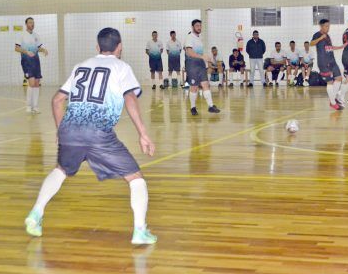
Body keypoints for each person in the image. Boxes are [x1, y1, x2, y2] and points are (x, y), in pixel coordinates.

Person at [24, 27, 157, 245]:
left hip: (70, 129)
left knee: (61, 170)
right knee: (135, 178)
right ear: (120, 47)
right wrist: (143, 133)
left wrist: (61, 130)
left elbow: (57, 101)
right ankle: (140, 231)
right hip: (98, 132)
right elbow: (130, 98)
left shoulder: (80, 66)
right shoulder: (121, 67)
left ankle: (36, 213)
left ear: (97, 47)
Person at [184, 20, 220, 115]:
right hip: (192, 64)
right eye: (197, 26)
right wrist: (202, 57)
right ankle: (193, 107)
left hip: (200, 64)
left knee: (205, 84)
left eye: (200, 25)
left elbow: (199, 53)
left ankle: (211, 106)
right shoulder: (189, 37)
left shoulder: (199, 38)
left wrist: (207, 58)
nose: (199, 27)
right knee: (194, 87)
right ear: (192, 27)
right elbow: (190, 52)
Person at [311, 19, 346, 110]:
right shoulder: (317, 34)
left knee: (339, 78)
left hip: (332, 61)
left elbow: (330, 47)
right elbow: (311, 43)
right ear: (321, 26)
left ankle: (332, 99)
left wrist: (341, 47)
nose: (328, 28)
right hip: (323, 62)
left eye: (329, 26)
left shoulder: (328, 36)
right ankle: (333, 102)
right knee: (330, 82)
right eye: (326, 26)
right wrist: (320, 38)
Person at [15, 17, 48, 113]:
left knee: (37, 83)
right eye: (30, 22)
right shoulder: (21, 35)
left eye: (33, 23)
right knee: (32, 83)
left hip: (36, 61)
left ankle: (35, 107)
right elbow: (16, 48)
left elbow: (39, 48)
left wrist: (43, 50)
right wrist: (26, 52)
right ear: (26, 24)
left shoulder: (36, 36)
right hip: (26, 62)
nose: (32, 24)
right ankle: (28, 106)